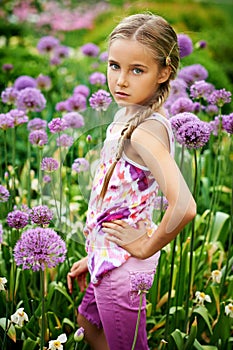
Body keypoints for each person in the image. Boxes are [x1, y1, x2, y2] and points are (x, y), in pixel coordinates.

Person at [67, 13, 196, 350]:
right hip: (110, 258)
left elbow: (184, 206)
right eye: (114, 66)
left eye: (137, 70)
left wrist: (143, 246)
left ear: (164, 72)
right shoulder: (132, 113)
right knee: (89, 322)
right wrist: (96, 254)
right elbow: (121, 198)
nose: (120, 81)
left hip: (123, 270)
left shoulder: (144, 132)